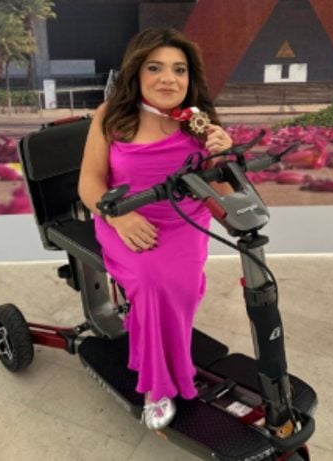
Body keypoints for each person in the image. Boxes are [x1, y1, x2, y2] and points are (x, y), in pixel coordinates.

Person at [78, 28, 233, 430]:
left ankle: (156, 345)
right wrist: (119, 217)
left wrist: (221, 157)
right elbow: (89, 183)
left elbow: (222, 196)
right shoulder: (113, 115)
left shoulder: (198, 121)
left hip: (185, 219)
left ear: (190, 77)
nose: (169, 79)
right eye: (155, 68)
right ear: (137, 72)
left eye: (179, 70)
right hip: (125, 217)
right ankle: (158, 384)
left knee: (180, 287)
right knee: (150, 282)